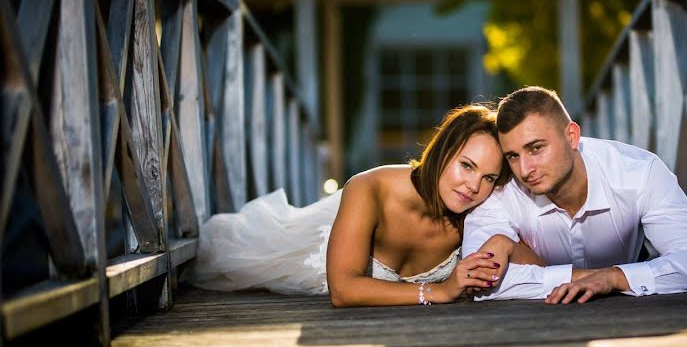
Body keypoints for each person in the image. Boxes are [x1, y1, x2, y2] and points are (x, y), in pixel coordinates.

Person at [188, 104, 513, 306]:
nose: (474, 186)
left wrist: (506, 245)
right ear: (442, 152)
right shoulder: (368, 187)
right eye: (466, 166)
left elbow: (534, 257)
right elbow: (342, 291)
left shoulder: (479, 210)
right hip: (293, 255)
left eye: (488, 177)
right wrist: (439, 291)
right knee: (219, 254)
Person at [463, 86, 687, 304]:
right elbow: (476, 280)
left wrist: (614, 277)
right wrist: (585, 276)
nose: (525, 170)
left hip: (631, 322)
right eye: (513, 156)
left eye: (536, 148)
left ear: (572, 136)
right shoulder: (501, 191)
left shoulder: (639, 172)